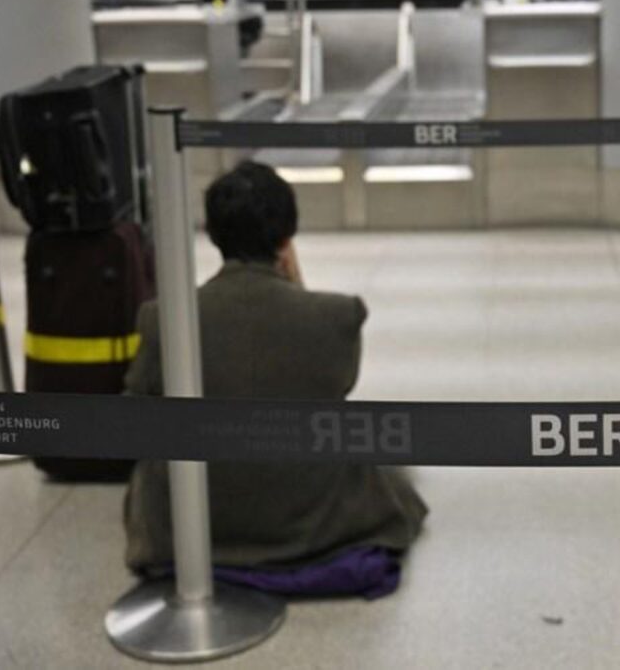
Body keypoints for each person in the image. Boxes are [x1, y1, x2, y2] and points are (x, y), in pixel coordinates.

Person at [122, 161, 426, 598]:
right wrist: (296, 286)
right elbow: (332, 389)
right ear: (288, 236)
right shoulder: (337, 316)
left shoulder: (162, 318)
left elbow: (137, 402)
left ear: (213, 232)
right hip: (311, 525)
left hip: (194, 524)